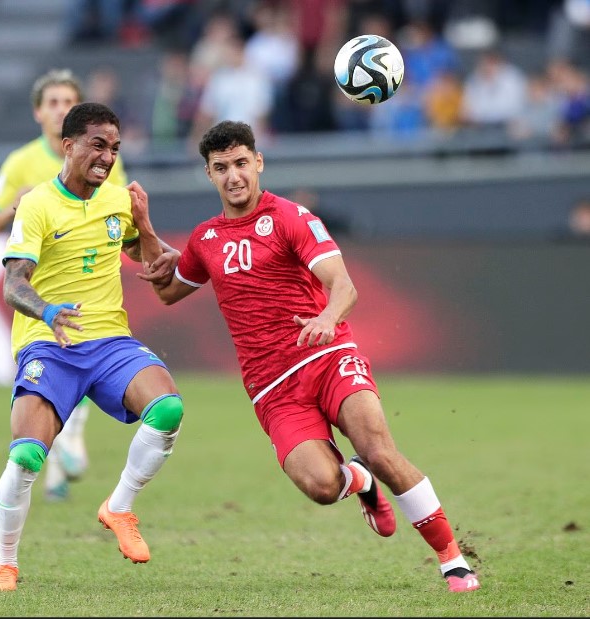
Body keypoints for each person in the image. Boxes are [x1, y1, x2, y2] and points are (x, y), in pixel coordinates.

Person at [132, 120, 482, 594]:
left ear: (258, 163)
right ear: (209, 174)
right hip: (272, 389)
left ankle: (452, 560)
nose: (233, 175)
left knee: (380, 449)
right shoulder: (205, 239)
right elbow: (169, 291)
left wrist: (327, 318)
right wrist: (146, 230)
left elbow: (344, 285)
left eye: (240, 163)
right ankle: (357, 481)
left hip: (328, 356)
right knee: (320, 486)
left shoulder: (291, 217)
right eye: (221, 168)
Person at [0, 102, 183, 592]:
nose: (108, 157)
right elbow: (13, 284)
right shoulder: (35, 205)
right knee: (28, 457)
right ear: (68, 145)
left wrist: (147, 223)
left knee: (168, 408)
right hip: (49, 346)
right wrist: (48, 311)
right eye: (98, 145)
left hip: (109, 341)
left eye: (114, 148)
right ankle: (5, 563)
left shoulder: (118, 200)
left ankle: (119, 507)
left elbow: (154, 266)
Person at [0, 68, 129, 503]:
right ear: (39, 112)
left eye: (69, 101)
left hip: (85, 276)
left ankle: (70, 439)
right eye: (53, 102)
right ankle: (59, 451)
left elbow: (117, 211)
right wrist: (15, 207)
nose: (61, 108)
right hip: (36, 275)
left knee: (82, 342)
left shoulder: (99, 152)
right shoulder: (21, 162)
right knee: (50, 360)